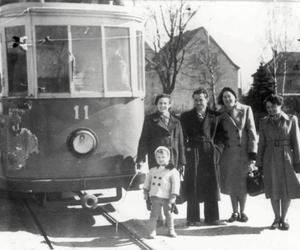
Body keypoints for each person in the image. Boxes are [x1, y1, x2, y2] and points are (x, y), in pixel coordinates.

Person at [256, 94, 300, 230]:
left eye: (273, 107)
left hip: (286, 157)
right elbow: (261, 143)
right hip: (269, 158)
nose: (270, 110)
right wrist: (259, 163)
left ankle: (284, 218)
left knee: (287, 188)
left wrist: (298, 161)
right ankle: (276, 218)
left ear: (280, 106)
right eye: (268, 107)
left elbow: (296, 142)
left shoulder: (291, 119)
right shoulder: (263, 122)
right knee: (273, 187)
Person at [180, 87, 223, 226]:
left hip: (210, 153)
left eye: (201, 100)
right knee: (193, 184)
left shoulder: (215, 116)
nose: (199, 102)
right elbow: (182, 137)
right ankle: (193, 218)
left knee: (211, 184)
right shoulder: (186, 116)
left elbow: (222, 137)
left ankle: (212, 217)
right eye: (196, 100)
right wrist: (186, 151)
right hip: (193, 152)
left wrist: (217, 150)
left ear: (207, 100)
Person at [217, 87, 258, 222]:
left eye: (229, 96)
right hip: (228, 154)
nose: (227, 99)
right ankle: (234, 212)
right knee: (231, 183)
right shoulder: (220, 113)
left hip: (243, 153)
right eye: (224, 97)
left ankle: (243, 212)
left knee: (242, 184)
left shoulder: (246, 109)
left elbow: (252, 132)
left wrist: (252, 154)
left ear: (235, 97)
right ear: (221, 100)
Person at [136, 93, 186, 171]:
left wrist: (182, 161)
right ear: (157, 104)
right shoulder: (150, 120)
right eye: (160, 103)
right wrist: (140, 158)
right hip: (156, 158)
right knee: (158, 181)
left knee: (172, 181)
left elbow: (181, 143)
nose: (162, 106)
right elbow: (144, 140)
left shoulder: (176, 122)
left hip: (173, 158)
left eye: (165, 103)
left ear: (169, 105)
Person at [143, 146, 180, 238]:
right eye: (158, 157)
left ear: (168, 157)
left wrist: (173, 197)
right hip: (155, 196)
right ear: (155, 158)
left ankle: (171, 230)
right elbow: (147, 182)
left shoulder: (172, 171)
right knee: (154, 215)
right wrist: (145, 192)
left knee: (169, 215)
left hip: (167, 197)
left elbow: (176, 184)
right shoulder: (152, 170)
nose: (161, 159)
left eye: (163, 157)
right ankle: (152, 231)